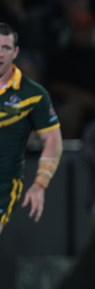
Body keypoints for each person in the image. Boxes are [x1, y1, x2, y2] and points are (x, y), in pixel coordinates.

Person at [0, 22, 62, 234]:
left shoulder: (33, 94)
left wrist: (40, 184)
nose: (0, 54)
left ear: (15, 52)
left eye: (5, 48)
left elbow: (53, 140)